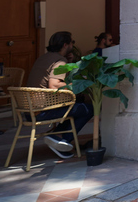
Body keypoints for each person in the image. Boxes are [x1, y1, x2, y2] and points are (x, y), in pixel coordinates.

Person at [27, 31, 94, 159]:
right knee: (88, 109)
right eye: (72, 42)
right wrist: (79, 86)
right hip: (42, 111)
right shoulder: (59, 61)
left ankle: (58, 137)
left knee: (77, 107)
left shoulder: (44, 57)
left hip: (28, 110)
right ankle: (60, 137)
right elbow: (53, 85)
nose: (73, 45)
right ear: (65, 45)